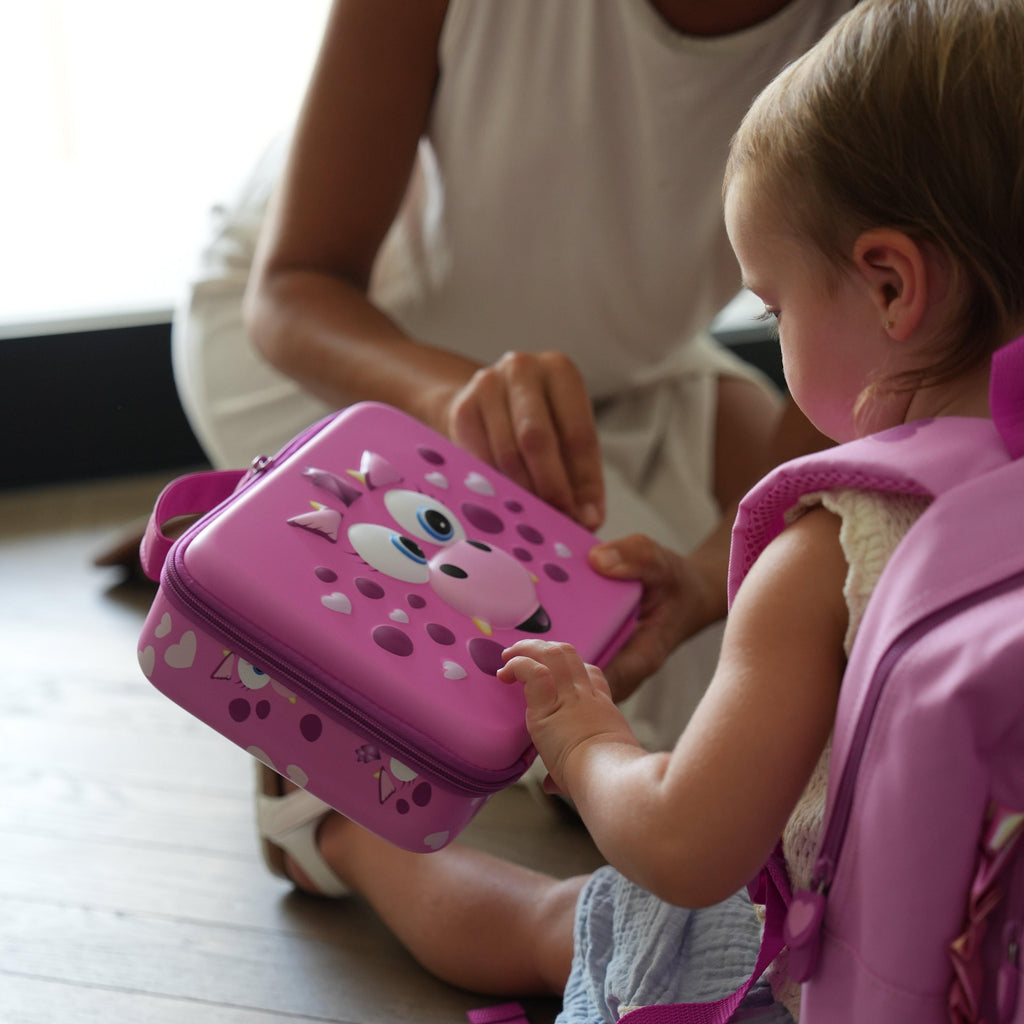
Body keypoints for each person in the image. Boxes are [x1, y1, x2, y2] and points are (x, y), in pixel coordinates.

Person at [253, 0, 1024, 1020]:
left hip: (812, 969)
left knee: (564, 919)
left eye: (773, 308)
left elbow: (681, 845)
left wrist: (586, 740)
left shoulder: (833, 543)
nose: (774, 333)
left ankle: (334, 829)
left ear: (888, 285)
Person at [172, 0, 847, 753]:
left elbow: (860, 379)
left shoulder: (903, 29)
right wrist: (448, 396)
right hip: (345, 354)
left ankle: (246, 522)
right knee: (609, 707)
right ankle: (317, 813)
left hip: (626, 359)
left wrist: (702, 574)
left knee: (779, 663)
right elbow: (295, 285)